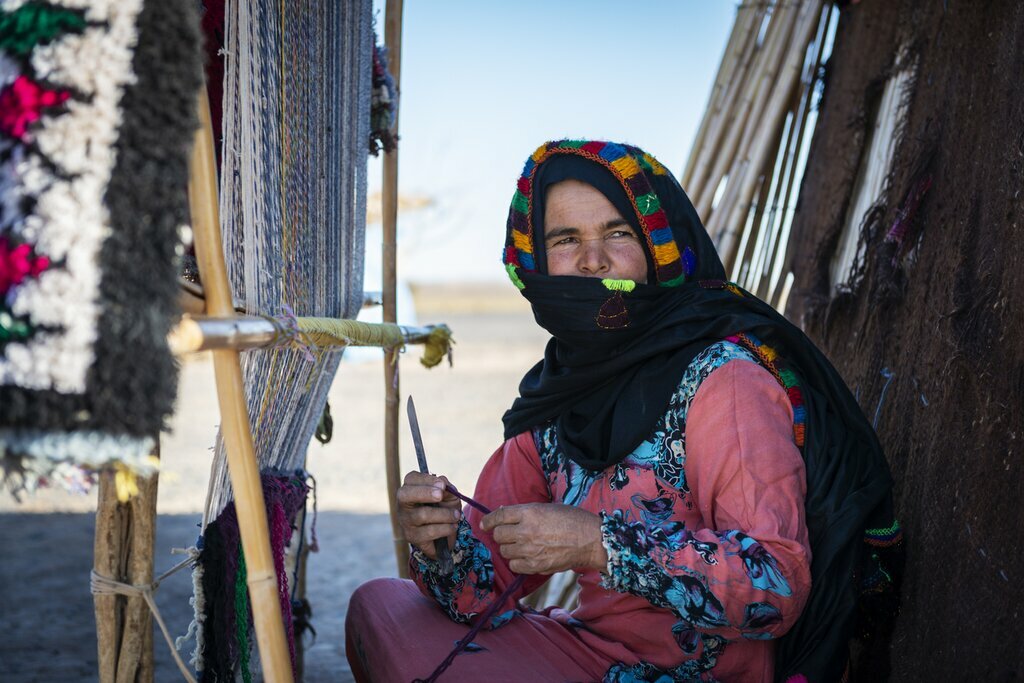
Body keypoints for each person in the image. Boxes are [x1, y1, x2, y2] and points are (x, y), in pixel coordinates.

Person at [345, 140, 900, 682]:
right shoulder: (558, 396)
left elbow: (774, 588)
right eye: (566, 239)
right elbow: (481, 595)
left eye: (617, 233)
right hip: (586, 652)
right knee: (383, 608)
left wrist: (597, 544)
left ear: (660, 249)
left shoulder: (724, 381)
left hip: (699, 675)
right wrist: (442, 546)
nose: (593, 260)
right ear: (536, 262)